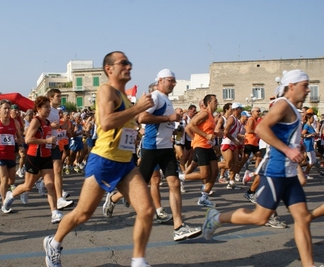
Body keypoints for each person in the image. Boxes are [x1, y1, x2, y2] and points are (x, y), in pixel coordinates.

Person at [43, 51, 155, 267]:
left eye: (130, 63)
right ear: (109, 69)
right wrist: (138, 108)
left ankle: (138, 261)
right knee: (83, 213)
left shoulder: (124, 97)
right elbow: (105, 122)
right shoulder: (106, 90)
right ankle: (54, 243)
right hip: (104, 160)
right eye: (123, 63)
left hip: (125, 164)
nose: (129, 66)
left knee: (147, 210)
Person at [202, 69, 316, 267]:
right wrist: (288, 151)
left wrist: (297, 146)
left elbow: (285, 136)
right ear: (291, 86)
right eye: (304, 86)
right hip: (275, 171)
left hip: (289, 173)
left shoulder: (293, 109)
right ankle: (216, 217)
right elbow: (261, 129)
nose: (307, 90)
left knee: (303, 218)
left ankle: (308, 265)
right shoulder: (283, 104)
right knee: (259, 218)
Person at [136, 68, 202, 241]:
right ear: (160, 81)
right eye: (170, 80)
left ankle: (178, 226)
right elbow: (142, 118)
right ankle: (113, 197)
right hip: (152, 147)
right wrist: (169, 118)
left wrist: (174, 122)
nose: (173, 83)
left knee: (174, 183)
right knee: (139, 184)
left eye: (174, 81)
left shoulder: (166, 99)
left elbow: (166, 121)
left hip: (166, 147)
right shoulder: (156, 96)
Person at [3, 96, 63, 223]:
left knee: (50, 185)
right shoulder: (36, 121)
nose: (48, 110)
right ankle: (11, 195)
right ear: (38, 108)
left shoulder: (47, 123)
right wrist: (46, 141)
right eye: (46, 107)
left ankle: (55, 212)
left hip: (46, 157)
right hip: (33, 157)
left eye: (49, 107)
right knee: (28, 187)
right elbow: (28, 139)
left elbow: (46, 138)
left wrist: (51, 143)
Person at [180, 94, 219, 208]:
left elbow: (206, 130)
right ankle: (179, 176)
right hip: (200, 146)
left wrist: (216, 134)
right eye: (215, 100)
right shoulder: (204, 113)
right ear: (209, 103)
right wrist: (204, 136)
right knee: (204, 174)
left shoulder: (211, 115)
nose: (217, 102)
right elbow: (190, 126)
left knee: (215, 171)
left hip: (207, 146)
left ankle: (204, 198)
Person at [46, 89, 73, 210]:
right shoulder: (46, 110)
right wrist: (49, 126)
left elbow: (56, 126)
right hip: (44, 145)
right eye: (58, 96)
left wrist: (62, 126)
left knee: (57, 170)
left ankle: (60, 199)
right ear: (51, 98)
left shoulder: (57, 111)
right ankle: (15, 193)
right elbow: (37, 123)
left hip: (54, 144)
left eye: (60, 96)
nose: (60, 98)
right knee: (30, 181)